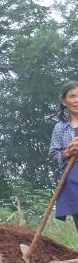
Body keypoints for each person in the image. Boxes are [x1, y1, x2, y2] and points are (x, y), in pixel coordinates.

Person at [49, 80, 78, 233]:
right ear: (64, 101)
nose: (76, 100)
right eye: (72, 96)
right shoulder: (60, 127)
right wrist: (67, 153)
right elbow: (53, 155)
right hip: (72, 177)